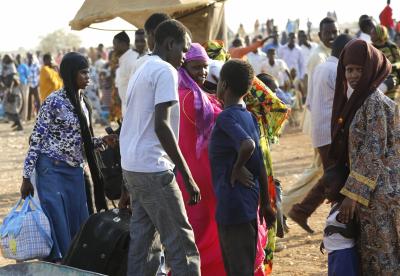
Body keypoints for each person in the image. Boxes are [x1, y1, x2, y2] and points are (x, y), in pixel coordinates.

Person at [119, 20, 201, 276]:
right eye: (184, 50)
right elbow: (162, 126)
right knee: (182, 245)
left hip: (133, 166)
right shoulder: (165, 70)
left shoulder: (142, 66)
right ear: (169, 44)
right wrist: (186, 176)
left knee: (143, 247)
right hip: (154, 168)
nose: (185, 57)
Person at [20, 52, 117, 261]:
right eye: (83, 72)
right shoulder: (54, 102)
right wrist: (26, 176)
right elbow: (36, 139)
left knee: (77, 224)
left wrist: (102, 142)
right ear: (71, 74)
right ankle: (58, 266)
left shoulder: (83, 102)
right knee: (58, 225)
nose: (88, 76)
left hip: (74, 171)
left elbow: (81, 142)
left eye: (88, 71)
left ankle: (71, 265)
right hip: (51, 170)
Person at [330, 39, 400, 274]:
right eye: (349, 69)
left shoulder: (373, 102)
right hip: (371, 192)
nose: (354, 75)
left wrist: (352, 195)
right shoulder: (361, 101)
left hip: (379, 196)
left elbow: (373, 150)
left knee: (383, 258)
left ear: (371, 69)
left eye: (360, 69)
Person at [209, 59, 275, 276]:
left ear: (224, 85)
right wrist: (266, 203)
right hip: (247, 206)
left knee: (238, 270)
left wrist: (236, 168)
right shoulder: (249, 117)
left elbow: (247, 145)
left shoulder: (225, 118)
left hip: (232, 207)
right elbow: (261, 164)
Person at [176, 42, 225, 275]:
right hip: (197, 173)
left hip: (190, 172)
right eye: (196, 67)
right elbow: (224, 123)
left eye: (205, 67)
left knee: (197, 228)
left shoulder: (191, 95)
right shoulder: (192, 99)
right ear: (184, 67)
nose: (202, 73)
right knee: (202, 228)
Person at [288, 17, 339, 233]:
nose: (332, 36)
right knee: (325, 172)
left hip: (325, 122)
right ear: (319, 35)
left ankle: (300, 209)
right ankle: (285, 205)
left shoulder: (329, 55)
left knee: (324, 171)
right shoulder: (318, 57)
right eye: (328, 33)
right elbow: (315, 93)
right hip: (321, 122)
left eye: (335, 32)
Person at [371, 24, 400, 102]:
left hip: (394, 82)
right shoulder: (370, 49)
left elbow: (399, 62)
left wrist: (392, 66)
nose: (371, 36)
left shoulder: (392, 47)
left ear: (380, 34)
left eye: (373, 34)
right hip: (379, 83)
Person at [113, 31, 138, 116]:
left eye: (115, 44)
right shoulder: (124, 59)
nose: (114, 48)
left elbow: (136, 87)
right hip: (126, 107)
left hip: (134, 109)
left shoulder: (132, 59)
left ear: (123, 44)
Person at [1, 55, 23, 131]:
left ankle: (19, 124)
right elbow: (2, 76)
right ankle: (16, 122)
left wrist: (10, 89)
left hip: (13, 90)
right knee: (6, 106)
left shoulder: (11, 67)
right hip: (8, 90)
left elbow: (13, 79)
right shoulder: (5, 66)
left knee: (13, 108)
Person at [15, 54, 30, 121]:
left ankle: (24, 117)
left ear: (21, 59)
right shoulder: (17, 67)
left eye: (19, 58)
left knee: (25, 100)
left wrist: (27, 83)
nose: (18, 59)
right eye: (17, 58)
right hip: (19, 85)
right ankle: (20, 116)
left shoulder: (24, 66)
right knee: (20, 101)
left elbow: (28, 76)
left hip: (24, 85)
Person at [26, 53, 41, 120]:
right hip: (29, 85)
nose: (30, 58)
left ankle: (39, 116)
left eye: (31, 57)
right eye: (29, 57)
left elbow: (39, 73)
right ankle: (28, 116)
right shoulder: (27, 64)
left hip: (35, 85)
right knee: (29, 101)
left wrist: (39, 82)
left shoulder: (36, 65)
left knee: (38, 101)